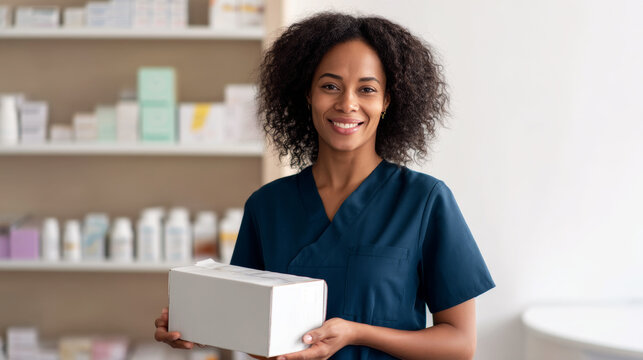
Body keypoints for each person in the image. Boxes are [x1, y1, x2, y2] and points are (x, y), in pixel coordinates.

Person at [155, 12, 495, 360]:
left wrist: (358, 333)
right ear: (307, 94)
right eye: (330, 86)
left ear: (387, 101)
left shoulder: (425, 201)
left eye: (367, 89)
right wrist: (199, 331)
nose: (347, 103)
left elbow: (460, 345)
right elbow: (259, 337)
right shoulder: (267, 206)